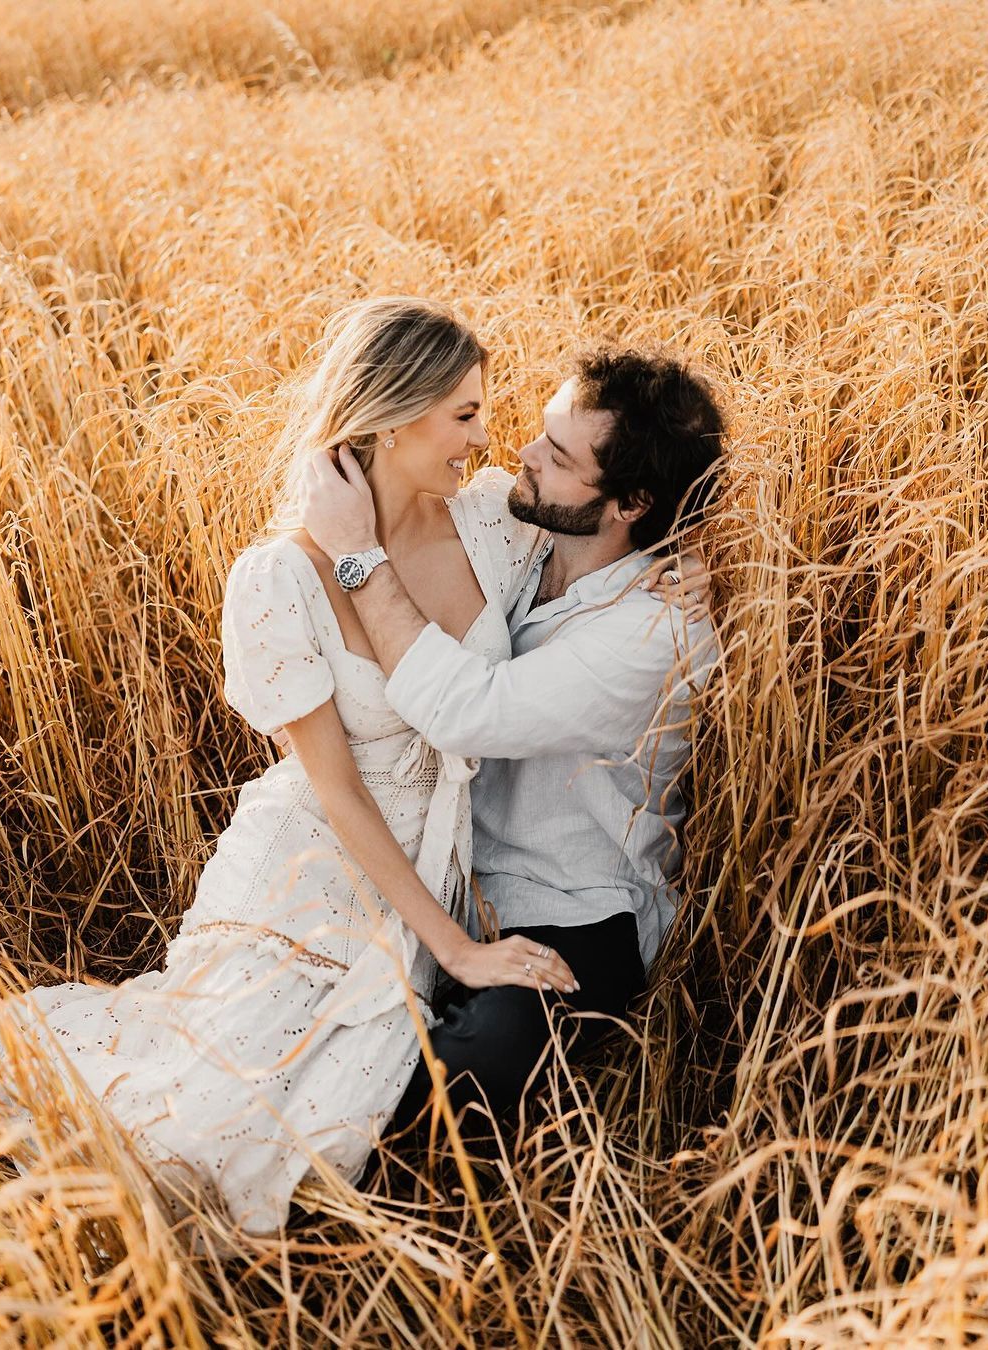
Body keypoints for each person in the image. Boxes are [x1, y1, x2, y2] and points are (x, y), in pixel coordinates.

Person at [0, 297, 697, 1238]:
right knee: (220, 1117)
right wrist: (455, 948)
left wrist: (679, 559)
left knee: (358, 1089)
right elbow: (337, 790)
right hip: (317, 865)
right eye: (466, 415)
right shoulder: (281, 576)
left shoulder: (492, 523)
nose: (493, 442)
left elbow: (594, 553)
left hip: (451, 864)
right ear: (393, 419)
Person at [293, 344, 724, 1147]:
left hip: (575, 913)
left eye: (557, 455)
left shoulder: (654, 634)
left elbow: (467, 712)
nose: (520, 453)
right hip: (444, 876)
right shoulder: (516, 530)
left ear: (631, 503)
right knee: (306, 1015)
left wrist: (358, 556)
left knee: (470, 1067)